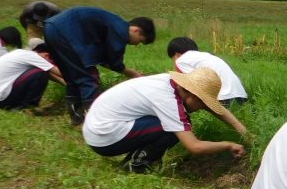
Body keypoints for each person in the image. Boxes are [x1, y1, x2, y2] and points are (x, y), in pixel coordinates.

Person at [82, 67, 247, 174]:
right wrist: (228, 144)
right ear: (193, 96)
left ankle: (139, 157)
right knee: (175, 129)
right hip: (103, 137)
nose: (203, 108)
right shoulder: (168, 100)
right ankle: (139, 164)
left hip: (96, 126)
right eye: (202, 103)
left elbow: (213, 108)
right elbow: (194, 147)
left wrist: (243, 131)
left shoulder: (170, 83)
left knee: (177, 124)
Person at [42, 7, 155, 125]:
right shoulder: (120, 29)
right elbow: (113, 60)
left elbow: (103, 59)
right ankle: (93, 124)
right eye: (141, 41)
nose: (137, 44)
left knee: (72, 78)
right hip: (66, 32)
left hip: (51, 27)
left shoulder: (112, 22)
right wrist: (132, 73)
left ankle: (76, 119)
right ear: (136, 30)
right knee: (89, 78)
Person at [166, 36, 248, 107]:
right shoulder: (206, 56)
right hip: (241, 96)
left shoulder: (180, 61)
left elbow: (190, 85)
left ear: (176, 55)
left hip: (222, 98)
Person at [0, 41, 65, 110]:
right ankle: (28, 107)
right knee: (41, 74)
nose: (51, 64)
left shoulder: (22, 53)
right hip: (3, 98)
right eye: (52, 62)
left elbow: (51, 75)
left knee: (42, 72)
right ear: (46, 55)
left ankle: (20, 106)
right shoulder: (33, 57)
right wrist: (76, 78)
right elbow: (59, 73)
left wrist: (69, 85)